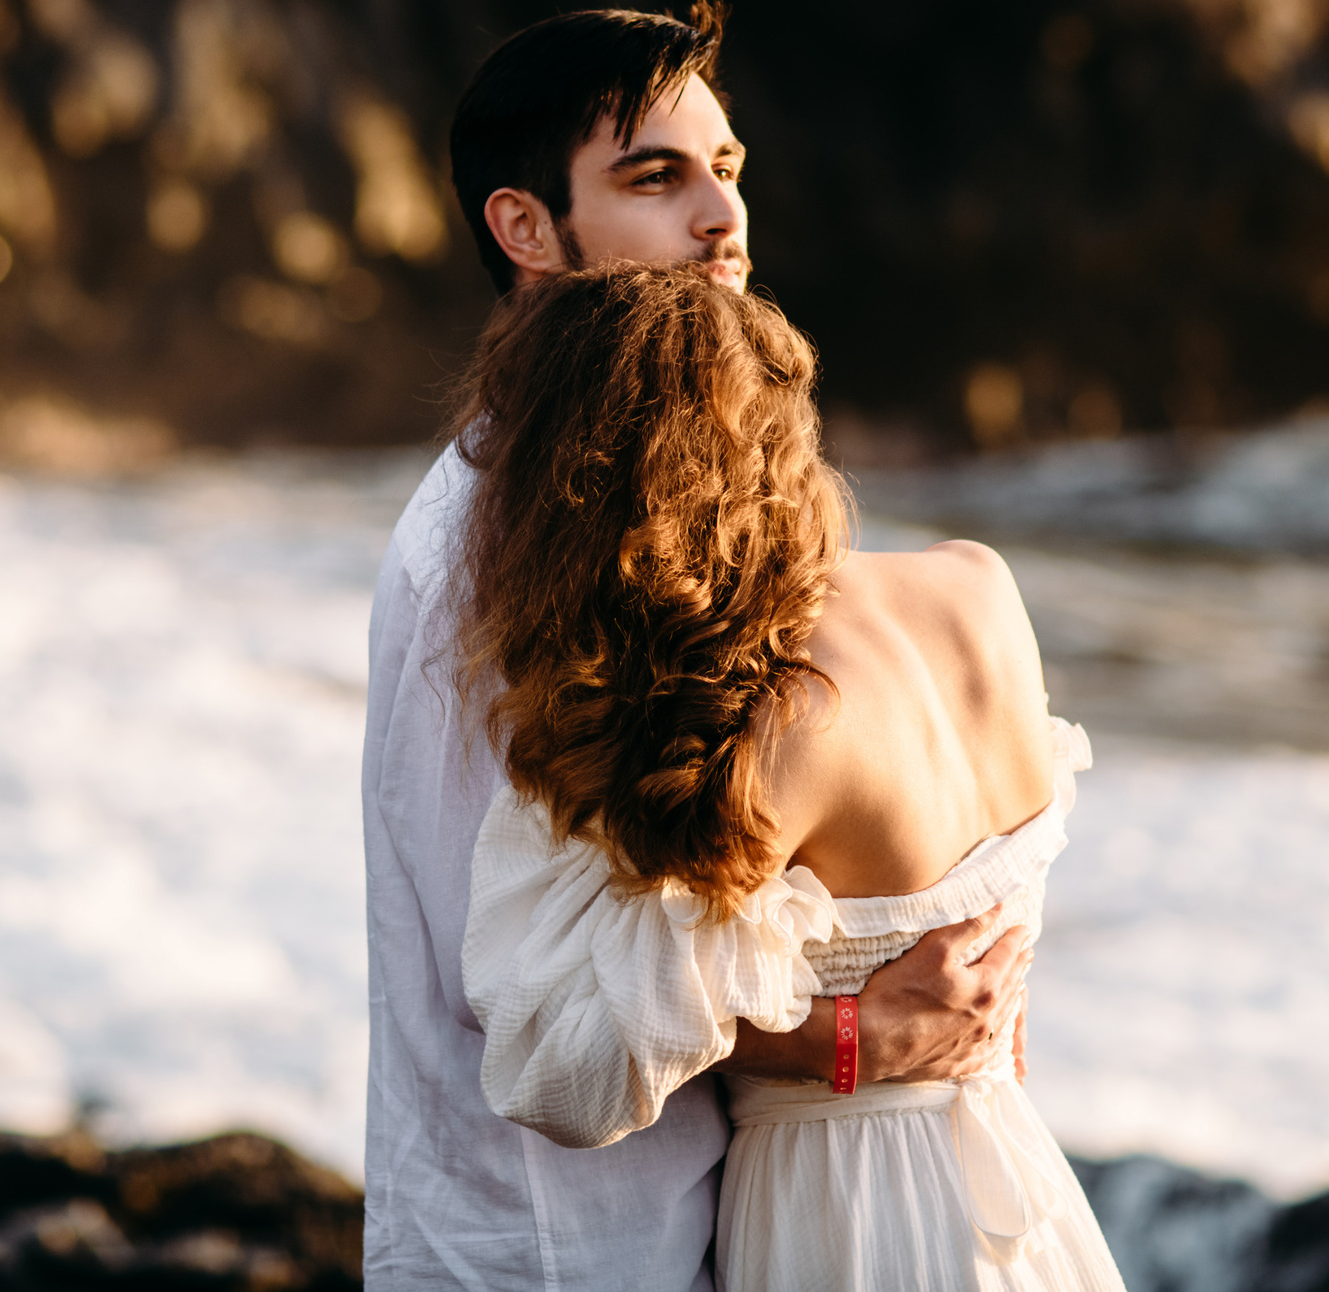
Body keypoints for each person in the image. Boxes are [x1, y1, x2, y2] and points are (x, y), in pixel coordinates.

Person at [362, 2, 1032, 1290]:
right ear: (523, 228)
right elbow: (508, 991)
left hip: (701, 1223)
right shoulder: (480, 544)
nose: (720, 219)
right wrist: (848, 1042)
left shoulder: (683, 494)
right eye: (653, 179)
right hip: (537, 1244)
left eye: (725, 170)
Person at [450, 262, 1124, 1291]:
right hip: (1017, 1190)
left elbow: (560, 1074)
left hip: (847, 1215)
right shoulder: (977, 585)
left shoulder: (757, 737)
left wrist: (832, 1041)